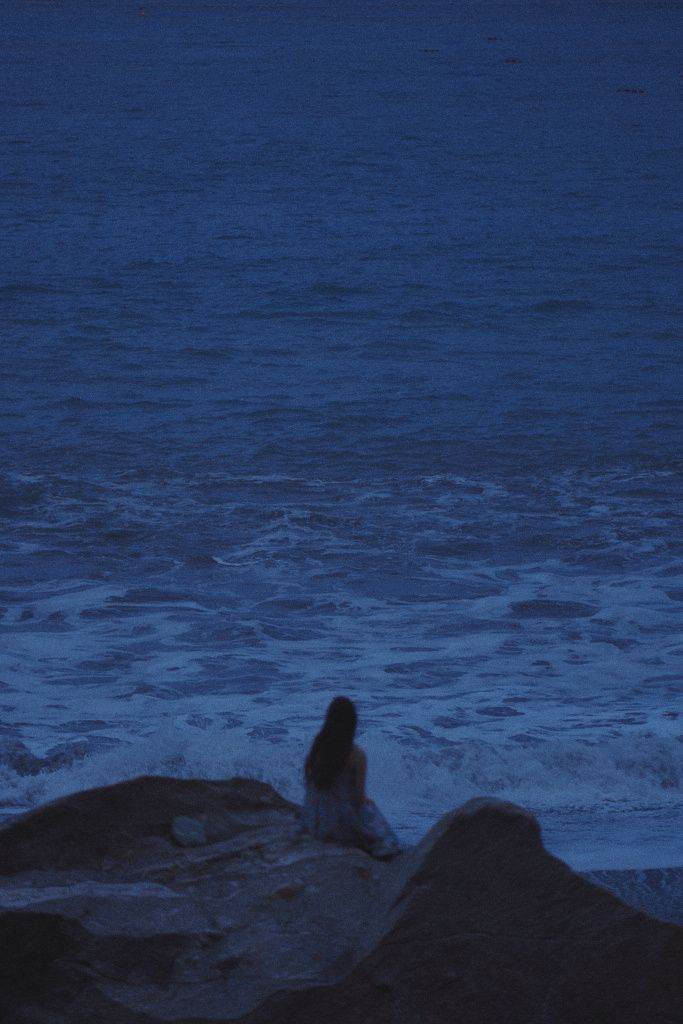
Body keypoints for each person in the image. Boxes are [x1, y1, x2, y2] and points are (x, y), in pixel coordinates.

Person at [301, 696, 401, 859]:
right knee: (371, 809)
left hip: (316, 823)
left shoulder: (318, 747)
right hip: (341, 828)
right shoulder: (357, 755)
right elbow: (360, 799)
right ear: (352, 723)